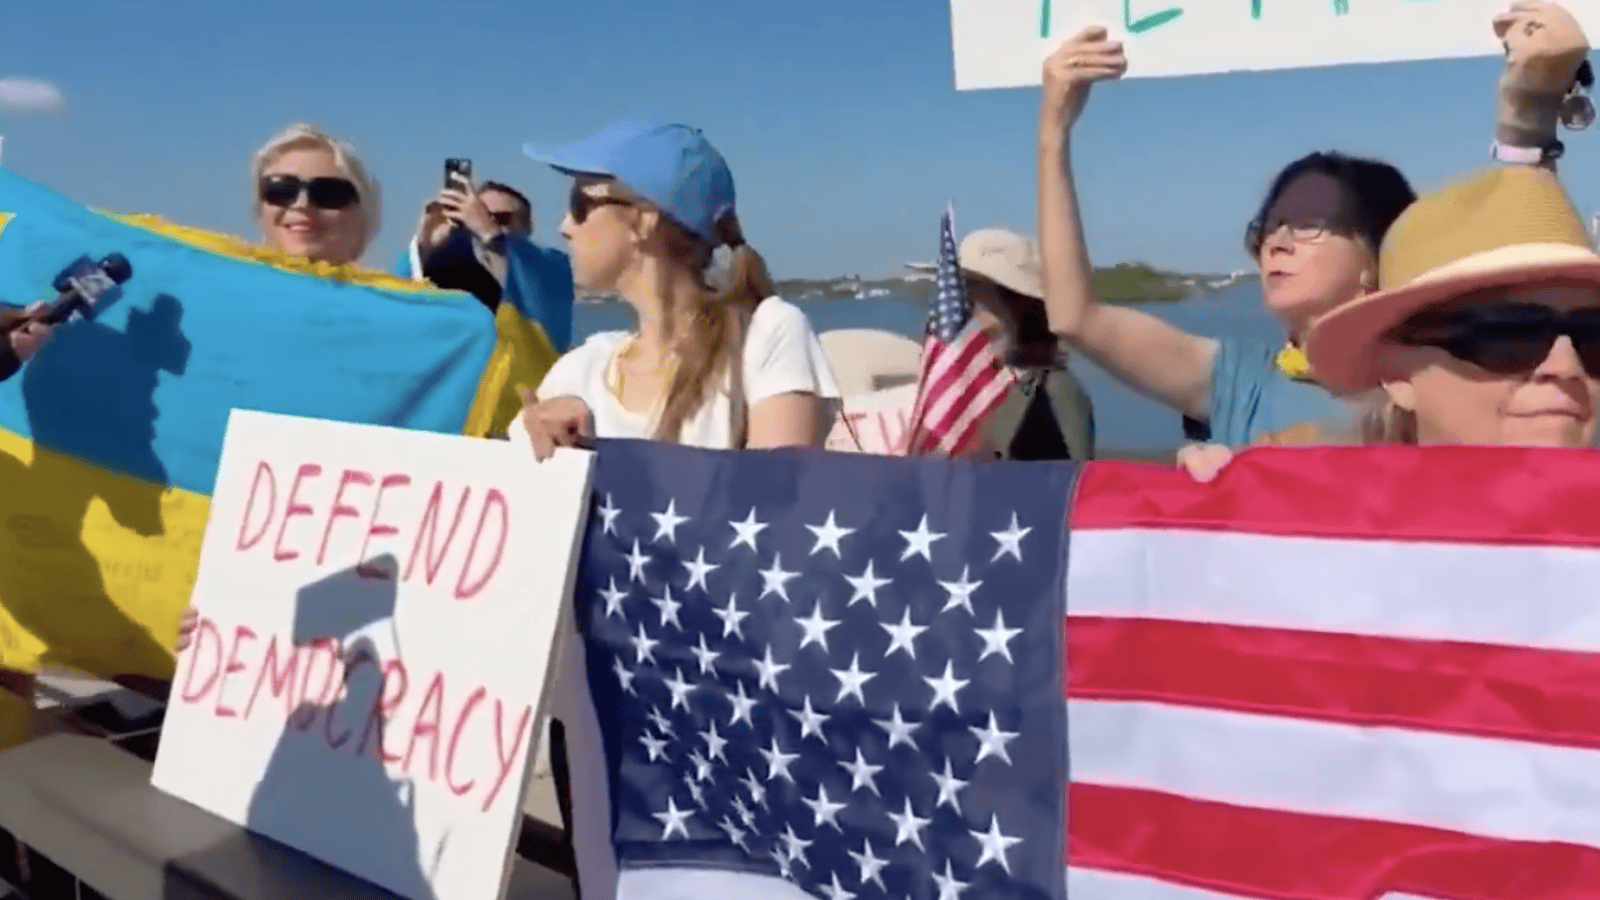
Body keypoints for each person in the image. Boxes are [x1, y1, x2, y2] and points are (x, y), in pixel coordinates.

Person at [513, 119, 838, 900]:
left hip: (735, 706)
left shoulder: (768, 333)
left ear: (645, 220)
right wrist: (534, 454)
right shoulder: (578, 370)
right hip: (604, 714)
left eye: (579, 202)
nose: (561, 225)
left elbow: (780, 513)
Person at [1036, 2, 1590, 448]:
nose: (1277, 240)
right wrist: (1053, 129)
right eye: (1271, 225)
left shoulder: (1462, 376)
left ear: (1378, 256)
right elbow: (1077, 314)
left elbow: (1523, 269)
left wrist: (1531, 115)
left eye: (1311, 225)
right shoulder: (1237, 380)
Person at [1180, 164, 1600, 484]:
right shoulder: (1317, 505)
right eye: (1509, 333)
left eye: (1593, 337)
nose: (1565, 367)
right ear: (1397, 373)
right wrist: (1220, 506)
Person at [912, 228, 1095, 460]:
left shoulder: (1054, 393)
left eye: (984, 305)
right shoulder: (996, 390)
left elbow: (1066, 486)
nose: (975, 325)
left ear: (1025, 310)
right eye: (966, 307)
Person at [405, 176, 577, 351]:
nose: (482, 221)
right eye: (477, 214)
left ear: (527, 226)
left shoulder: (554, 265)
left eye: (502, 218)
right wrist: (425, 248)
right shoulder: (448, 269)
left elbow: (546, 319)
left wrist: (491, 236)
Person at [252, 123, 380, 265]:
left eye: (327, 193)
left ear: (362, 218)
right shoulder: (225, 283)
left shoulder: (388, 287)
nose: (302, 204)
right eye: (282, 191)